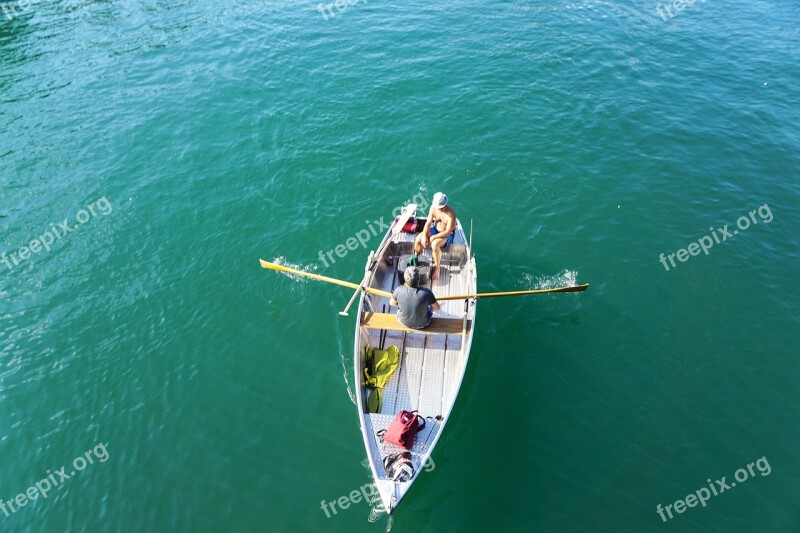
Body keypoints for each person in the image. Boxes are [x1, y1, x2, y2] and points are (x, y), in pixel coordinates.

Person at [413, 192, 456, 281]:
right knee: (418, 238)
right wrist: (425, 235)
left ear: (444, 205)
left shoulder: (451, 214)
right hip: (435, 230)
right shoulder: (433, 209)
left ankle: (437, 268)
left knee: (434, 244)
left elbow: (448, 232)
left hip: (446, 235)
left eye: (440, 207)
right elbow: (428, 223)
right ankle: (415, 257)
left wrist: (434, 237)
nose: (439, 209)